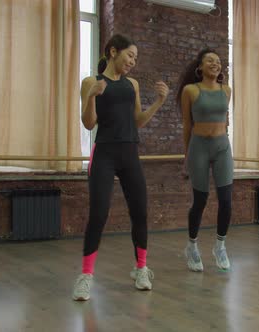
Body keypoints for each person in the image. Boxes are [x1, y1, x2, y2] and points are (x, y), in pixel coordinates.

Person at [72, 34, 169, 301]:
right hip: (104, 153)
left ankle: (141, 269)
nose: (133, 62)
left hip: (129, 154)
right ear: (113, 51)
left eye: (135, 59)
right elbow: (89, 124)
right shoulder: (91, 82)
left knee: (140, 211)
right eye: (130, 55)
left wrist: (159, 103)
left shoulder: (132, 85)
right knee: (99, 213)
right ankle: (86, 276)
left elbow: (137, 121)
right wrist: (91, 97)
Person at [176, 49, 233, 272]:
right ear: (200, 67)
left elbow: (225, 121)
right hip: (199, 147)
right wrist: (186, 156)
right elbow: (187, 126)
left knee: (226, 200)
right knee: (200, 200)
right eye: (210, 60)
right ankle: (192, 246)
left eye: (218, 61)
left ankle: (220, 246)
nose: (215, 63)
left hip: (222, 147)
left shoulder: (227, 90)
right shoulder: (190, 90)